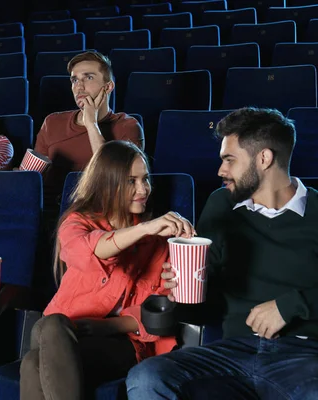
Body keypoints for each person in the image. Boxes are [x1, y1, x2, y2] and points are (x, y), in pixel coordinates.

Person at [126, 107, 318, 399]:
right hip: (229, 352)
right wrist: (181, 294)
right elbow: (203, 308)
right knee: (147, 377)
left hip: (304, 355)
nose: (220, 171)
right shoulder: (221, 204)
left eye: (229, 159)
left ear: (264, 159)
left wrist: (289, 306)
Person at [20, 140, 195, 400]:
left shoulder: (159, 242)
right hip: (64, 330)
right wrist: (143, 229)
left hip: (123, 344)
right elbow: (89, 251)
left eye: (145, 179)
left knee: (32, 363)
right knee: (52, 326)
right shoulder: (77, 223)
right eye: (131, 181)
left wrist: (107, 327)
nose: (143, 189)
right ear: (108, 183)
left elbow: (158, 313)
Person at [34, 51, 144, 209]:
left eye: (89, 77)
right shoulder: (52, 122)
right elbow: (36, 177)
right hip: (52, 211)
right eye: (74, 80)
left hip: (102, 210)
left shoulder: (128, 126)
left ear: (108, 87)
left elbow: (119, 182)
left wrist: (91, 123)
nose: (79, 86)